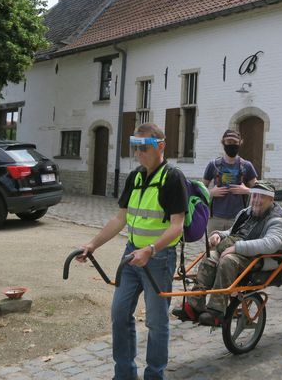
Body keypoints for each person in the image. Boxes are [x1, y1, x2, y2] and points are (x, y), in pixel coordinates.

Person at [77, 123, 188, 380]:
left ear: (160, 146)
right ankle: (124, 374)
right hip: (131, 255)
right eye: (135, 147)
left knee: (156, 322)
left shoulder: (173, 178)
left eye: (144, 147)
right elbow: (120, 219)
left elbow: (177, 226)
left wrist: (151, 249)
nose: (138, 152)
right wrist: (92, 244)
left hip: (158, 259)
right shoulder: (135, 177)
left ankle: (154, 375)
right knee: (119, 313)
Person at [179, 181, 282, 326]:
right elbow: (233, 232)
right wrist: (219, 235)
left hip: (262, 258)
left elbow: (270, 244)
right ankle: (194, 306)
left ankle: (216, 312)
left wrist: (237, 248)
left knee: (228, 260)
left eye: (261, 197)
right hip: (241, 252)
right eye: (254, 195)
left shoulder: (278, 220)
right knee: (209, 258)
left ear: (271, 199)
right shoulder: (246, 212)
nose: (256, 200)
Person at [203, 129, 257, 231]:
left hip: (238, 218)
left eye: (235, 142)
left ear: (240, 143)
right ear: (223, 142)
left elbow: (259, 190)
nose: (232, 145)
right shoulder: (213, 165)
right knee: (214, 246)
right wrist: (210, 192)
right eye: (229, 142)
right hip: (215, 218)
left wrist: (247, 190)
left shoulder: (247, 165)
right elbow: (200, 189)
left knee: (235, 246)